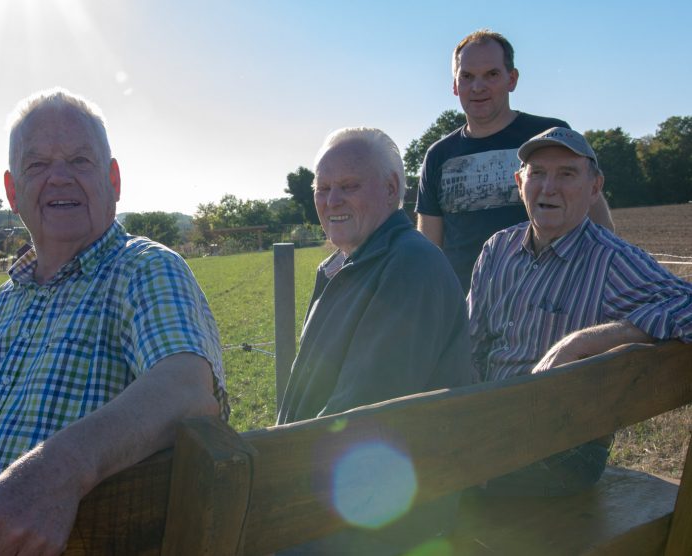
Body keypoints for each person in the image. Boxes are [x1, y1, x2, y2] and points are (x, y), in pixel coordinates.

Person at [0, 88, 227, 555]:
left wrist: (56, 471)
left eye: (80, 160)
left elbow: (187, 391)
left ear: (113, 179)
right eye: (37, 166)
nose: (60, 179)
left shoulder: (144, 268)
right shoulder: (2, 304)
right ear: (13, 192)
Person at [277, 128, 474, 554]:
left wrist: (273, 476)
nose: (332, 201)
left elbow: (364, 410)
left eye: (349, 186)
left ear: (390, 190)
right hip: (353, 496)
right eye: (323, 188)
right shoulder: (349, 264)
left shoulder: (409, 266)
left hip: (387, 516)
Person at [468, 127, 692, 495]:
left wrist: (593, 339)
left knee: (432, 492)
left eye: (567, 174)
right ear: (519, 181)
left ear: (594, 188)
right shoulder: (498, 250)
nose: (548, 187)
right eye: (537, 173)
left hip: (563, 448)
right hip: (490, 427)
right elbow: (470, 340)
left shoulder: (611, 260)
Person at [416, 29, 614, 292]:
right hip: (465, 310)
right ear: (454, 85)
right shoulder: (438, 155)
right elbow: (429, 249)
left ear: (512, 79)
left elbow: (600, 226)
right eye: (467, 76)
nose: (477, 87)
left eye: (492, 74)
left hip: (548, 303)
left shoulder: (551, 137)